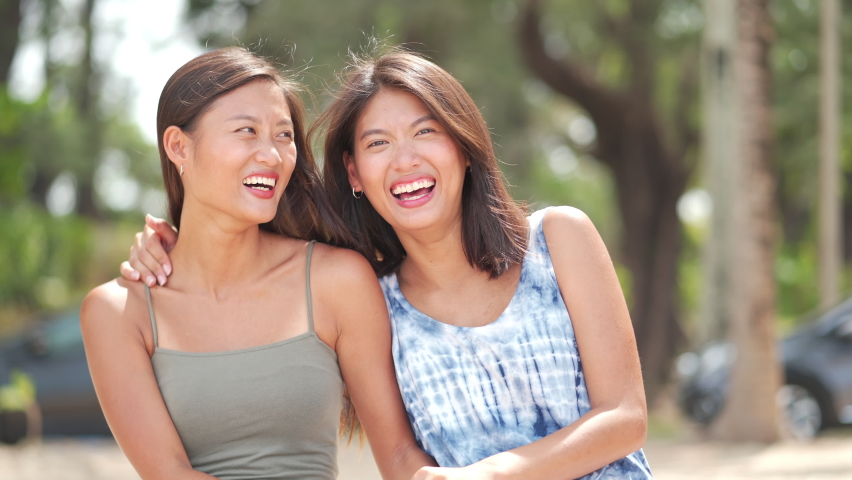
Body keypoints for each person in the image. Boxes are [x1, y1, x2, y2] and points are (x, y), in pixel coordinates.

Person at [123, 49, 653, 479]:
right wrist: (176, 246)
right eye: (379, 143)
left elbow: (625, 418)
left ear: (463, 146)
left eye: (426, 132)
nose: (406, 160)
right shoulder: (373, 300)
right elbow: (400, 460)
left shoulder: (559, 240)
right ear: (354, 173)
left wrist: (491, 476)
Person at [82, 47, 434, 480]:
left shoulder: (336, 280)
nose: (272, 154)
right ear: (178, 147)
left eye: (283, 135)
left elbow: (399, 455)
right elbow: (169, 474)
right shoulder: (118, 311)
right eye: (246, 131)